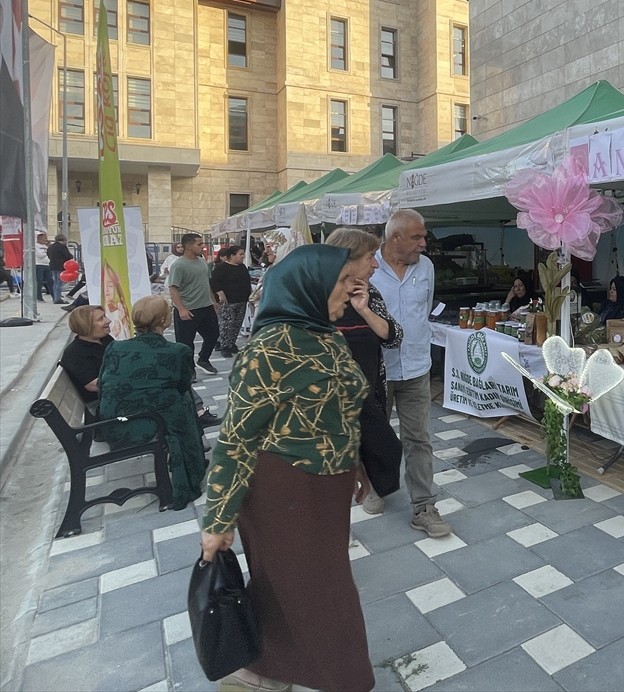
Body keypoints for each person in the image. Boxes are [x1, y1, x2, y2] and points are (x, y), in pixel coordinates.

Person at [200, 244, 374, 692]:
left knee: (296, 587)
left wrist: (353, 464)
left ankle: (263, 670)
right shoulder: (269, 349)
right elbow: (236, 439)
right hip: (284, 488)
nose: (353, 288)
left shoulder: (325, 333)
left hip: (326, 487)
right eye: (342, 281)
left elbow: (341, 410)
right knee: (318, 592)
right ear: (308, 286)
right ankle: (343, 679)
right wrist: (218, 521)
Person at [374, 208, 452, 538]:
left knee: (418, 438)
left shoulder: (427, 267)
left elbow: (425, 310)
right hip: (378, 370)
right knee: (376, 438)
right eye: (417, 237)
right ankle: (376, 487)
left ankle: (424, 506)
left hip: (417, 367)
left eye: (424, 236)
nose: (424, 243)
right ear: (395, 237)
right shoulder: (368, 268)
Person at [98, 296, 207, 509]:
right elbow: (184, 384)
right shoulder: (178, 351)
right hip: (152, 423)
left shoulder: (115, 348)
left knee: (177, 399)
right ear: (165, 321)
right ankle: (191, 470)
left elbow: (105, 383)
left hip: (114, 420)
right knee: (184, 401)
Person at [326, 227, 403, 516]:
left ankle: (370, 482)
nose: (376, 263)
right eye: (371, 256)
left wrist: (365, 310)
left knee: (378, 443)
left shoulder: (370, 293)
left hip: (370, 387)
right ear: (349, 259)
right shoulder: (318, 297)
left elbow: (393, 337)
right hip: (332, 397)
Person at [169, 233, 220, 375]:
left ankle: (203, 359)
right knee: (186, 343)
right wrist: (181, 309)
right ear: (189, 246)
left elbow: (206, 283)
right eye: (199, 244)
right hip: (188, 310)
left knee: (213, 335)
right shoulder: (178, 265)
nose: (203, 246)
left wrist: (213, 301)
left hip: (206, 307)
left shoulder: (202, 261)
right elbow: (173, 289)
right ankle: (189, 370)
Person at [59, 306, 114, 404]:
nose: (108, 320)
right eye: (101, 319)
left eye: (105, 316)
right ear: (86, 325)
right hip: (101, 403)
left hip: (112, 396)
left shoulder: (106, 339)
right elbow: (93, 385)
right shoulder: (74, 353)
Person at [210, 245, 252, 358]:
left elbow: (246, 281)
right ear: (232, 255)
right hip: (228, 301)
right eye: (241, 254)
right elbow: (213, 282)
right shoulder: (221, 268)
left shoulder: (242, 267)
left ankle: (231, 343)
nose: (243, 256)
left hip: (241, 300)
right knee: (226, 324)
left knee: (237, 324)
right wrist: (220, 293)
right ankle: (224, 346)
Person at [47, 234, 72, 304]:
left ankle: (55, 297)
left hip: (52, 266)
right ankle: (58, 298)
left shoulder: (51, 247)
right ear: (63, 240)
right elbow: (68, 256)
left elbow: (48, 255)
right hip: (60, 266)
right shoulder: (62, 247)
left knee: (55, 282)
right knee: (59, 282)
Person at [35, 232, 53, 301]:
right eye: (44, 238)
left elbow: (50, 253)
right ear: (39, 238)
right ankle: (39, 297)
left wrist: (49, 246)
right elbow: (40, 255)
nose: (45, 240)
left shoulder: (46, 246)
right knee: (39, 282)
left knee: (50, 281)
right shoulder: (36, 246)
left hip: (47, 264)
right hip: (39, 265)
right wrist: (47, 251)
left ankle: (54, 296)